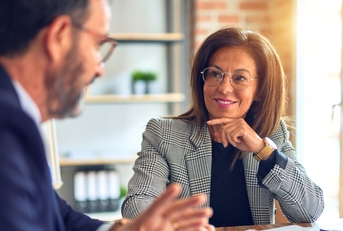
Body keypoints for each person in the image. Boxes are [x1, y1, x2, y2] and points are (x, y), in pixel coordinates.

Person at [0, 0, 215, 231]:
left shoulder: (18, 117)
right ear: (59, 36)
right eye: (97, 45)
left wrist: (124, 230)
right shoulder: (8, 126)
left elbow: (57, 215)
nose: (100, 68)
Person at [121, 26, 325, 227]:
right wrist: (175, 225)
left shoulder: (272, 134)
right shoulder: (163, 134)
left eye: (240, 78)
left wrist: (263, 151)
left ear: (259, 90)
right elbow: (136, 206)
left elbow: (311, 210)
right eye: (215, 74)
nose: (225, 87)